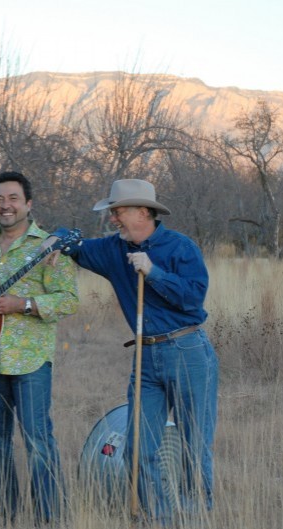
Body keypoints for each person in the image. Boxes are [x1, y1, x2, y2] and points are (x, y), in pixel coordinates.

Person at [54, 179, 219, 521]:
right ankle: (158, 517)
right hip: (145, 358)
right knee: (137, 448)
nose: (113, 219)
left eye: (118, 212)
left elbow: (193, 297)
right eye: (112, 212)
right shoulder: (114, 249)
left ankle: (195, 517)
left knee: (194, 445)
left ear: (143, 212)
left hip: (187, 350)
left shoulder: (180, 247)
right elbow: (78, 247)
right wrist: (58, 239)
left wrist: (154, 272)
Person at [0, 171, 78, 524]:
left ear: (28, 204)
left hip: (31, 361)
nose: (6, 206)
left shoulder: (48, 247)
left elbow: (68, 300)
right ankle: (4, 515)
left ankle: (49, 517)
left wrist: (22, 304)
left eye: (13, 199)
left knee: (38, 442)